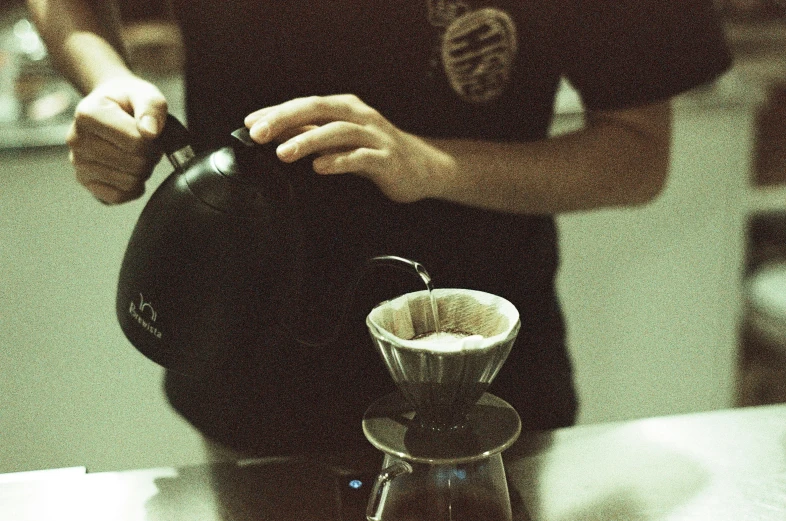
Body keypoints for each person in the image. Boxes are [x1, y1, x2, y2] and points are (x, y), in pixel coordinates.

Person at [26, 0, 731, 457]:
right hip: (246, 370)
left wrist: (435, 164)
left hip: (479, 392)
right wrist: (105, 78)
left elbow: (638, 153)